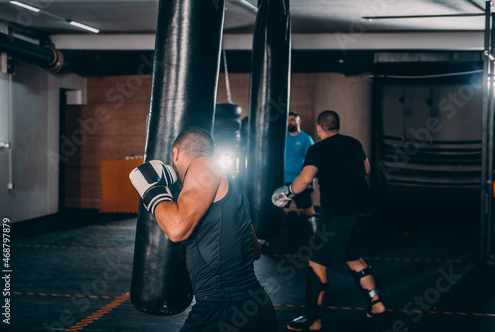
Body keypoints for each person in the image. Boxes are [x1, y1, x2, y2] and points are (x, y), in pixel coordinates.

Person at [130, 127, 278, 332]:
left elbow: (176, 229)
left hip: (223, 310)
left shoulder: (203, 165)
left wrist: (152, 192)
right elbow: (255, 250)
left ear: (175, 153)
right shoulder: (232, 187)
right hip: (256, 305)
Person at [272, 111, 386, 331]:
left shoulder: (317, 148)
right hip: (363, 210)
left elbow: (305, 179)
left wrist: (287, 192)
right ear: (338, 126)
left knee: (316, 261)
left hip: (338, 214)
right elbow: (366, 169)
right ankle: (376, 303)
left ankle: (313, 320)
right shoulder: (353, 143)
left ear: (319, 128)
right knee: (353, 257)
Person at [284, 112, 317, 232]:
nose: (290, 122)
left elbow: (312, 160)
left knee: (308, 210)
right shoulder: (283, 137)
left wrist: (309, 180)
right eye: (288, 120)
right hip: (284, 180)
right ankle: (275, 241)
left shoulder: (306, 139)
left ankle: (316, 237)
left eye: (293, 120)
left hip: (300, 180)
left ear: (299, 121)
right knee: (279, 209)